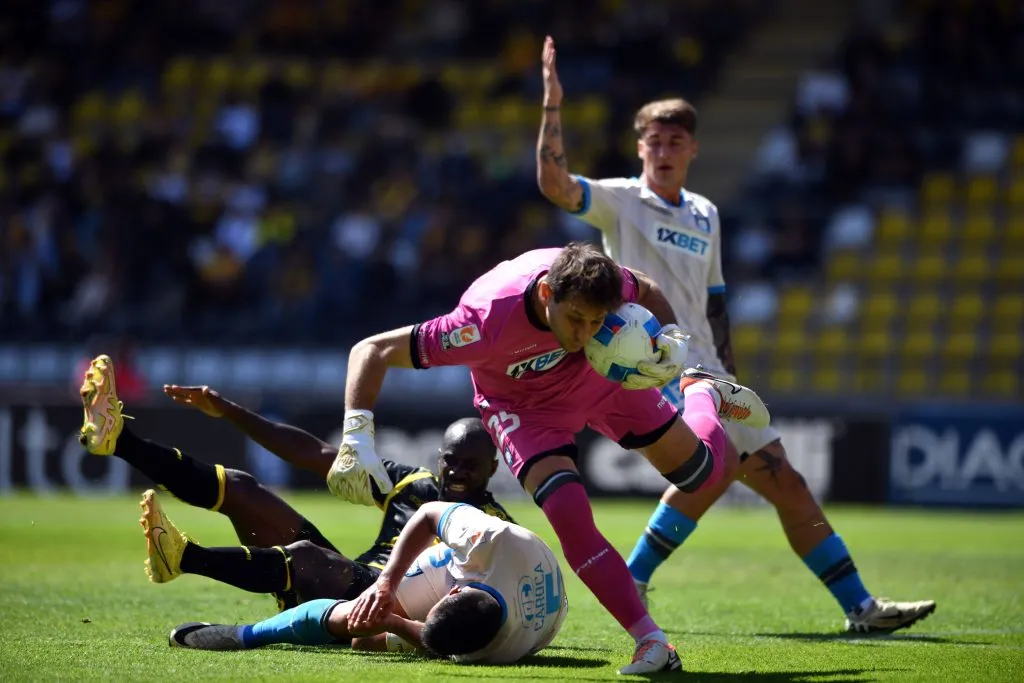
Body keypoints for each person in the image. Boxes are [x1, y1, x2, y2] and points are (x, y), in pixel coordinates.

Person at [535, 35, 936, 634]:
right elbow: (556, 185)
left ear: (693, 149)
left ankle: (860, 607)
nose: (663, 151)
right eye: (654, 141)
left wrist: (729, 369)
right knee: (716, 468)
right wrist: (552, 106)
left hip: (710, 368)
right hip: (658, 364)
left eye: (675, 142)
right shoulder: (620, 200)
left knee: (786, 483)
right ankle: (635, 577)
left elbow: (716, 299)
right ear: (640, 147)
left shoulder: (705, 213)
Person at [333, 240, 770, 673]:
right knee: (566, 510)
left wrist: (672, 336)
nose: (584, 334)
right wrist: (357, 437)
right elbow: (372, 349)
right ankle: (651, 641)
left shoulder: (601, 282)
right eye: (576, 319)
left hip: (599, 376)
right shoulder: (481, 322)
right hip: (525, 410)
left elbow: (648, 288)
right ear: (547, 293)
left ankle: (701, 390)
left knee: (701, 475)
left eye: (596, 321)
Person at [77, 354, 512, 610]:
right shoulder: (412, 485)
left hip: (375, 609)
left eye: (470, 465)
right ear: (439, 459)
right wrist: (230, 410)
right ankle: (120, 440)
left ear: (493, 467)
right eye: (451, 461)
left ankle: (184, 558)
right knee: (242, 488)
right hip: (344, 582)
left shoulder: (494, 527)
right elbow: (314, 454)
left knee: (306, 555)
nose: (457, 471)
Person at [167, 501, 568, 665]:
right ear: (455, 589)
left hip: (526, 614)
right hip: (499, 564)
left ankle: (251, 632)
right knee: (362, 611)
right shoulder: (492, 538)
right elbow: (429, 513)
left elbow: (435, 640)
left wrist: (394, 623)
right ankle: (246, 636)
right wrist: (385, 584)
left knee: (363, 634)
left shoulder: (495, 651)